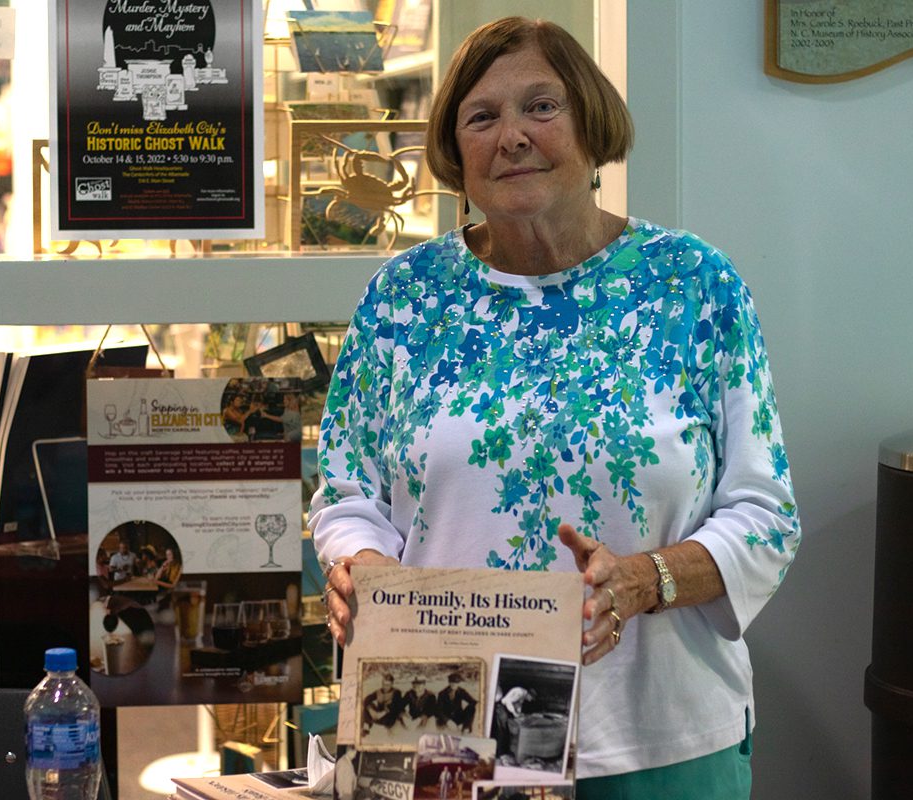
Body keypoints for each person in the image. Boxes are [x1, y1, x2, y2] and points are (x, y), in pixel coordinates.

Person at [310, 16, 799, 799]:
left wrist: (645, 579)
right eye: (482, 117)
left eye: (542, 107)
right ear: (454, 151)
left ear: (591, 123)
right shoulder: (403, 297)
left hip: (656, 742)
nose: (512, 136)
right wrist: (358, 565)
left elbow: (765, 515)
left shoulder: (693, 285)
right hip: (444, 736)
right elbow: (345, 492)